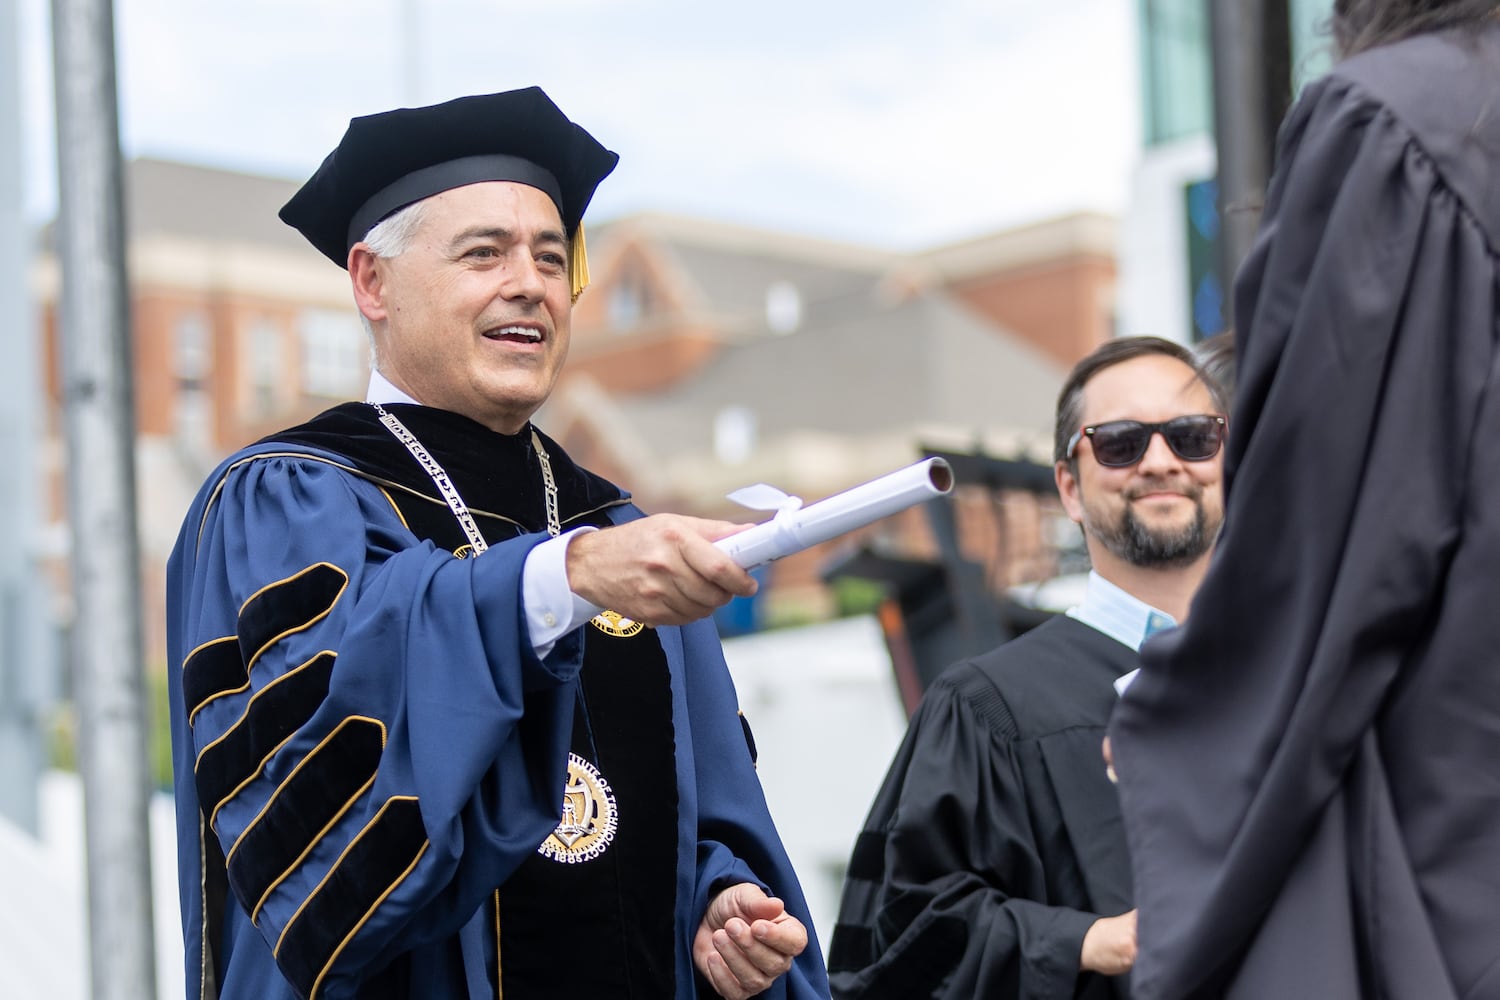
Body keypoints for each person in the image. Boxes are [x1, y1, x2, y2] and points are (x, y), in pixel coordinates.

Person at [164, 87, 828, 1000]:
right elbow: (314, 812)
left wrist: (721, 904)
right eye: (484, 253)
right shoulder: (285, 497)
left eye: (551, 260)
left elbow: (706, 806)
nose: (530, 284)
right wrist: (561, 579)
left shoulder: (617, 523)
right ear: (372, 282)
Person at [1108, 6, 1500, 999]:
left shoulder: (1408, 123)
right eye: (1120, 443)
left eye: (1190, 437)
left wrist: (1177, 709)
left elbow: (1321, 567)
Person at [826, 336, 1228, 999]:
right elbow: (899, 948)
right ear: (1068, 487)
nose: (1161, 461)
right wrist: (1085, 943)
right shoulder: (986, 710)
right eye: (1121, 443)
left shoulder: (1299, 685)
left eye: (1191, 436)